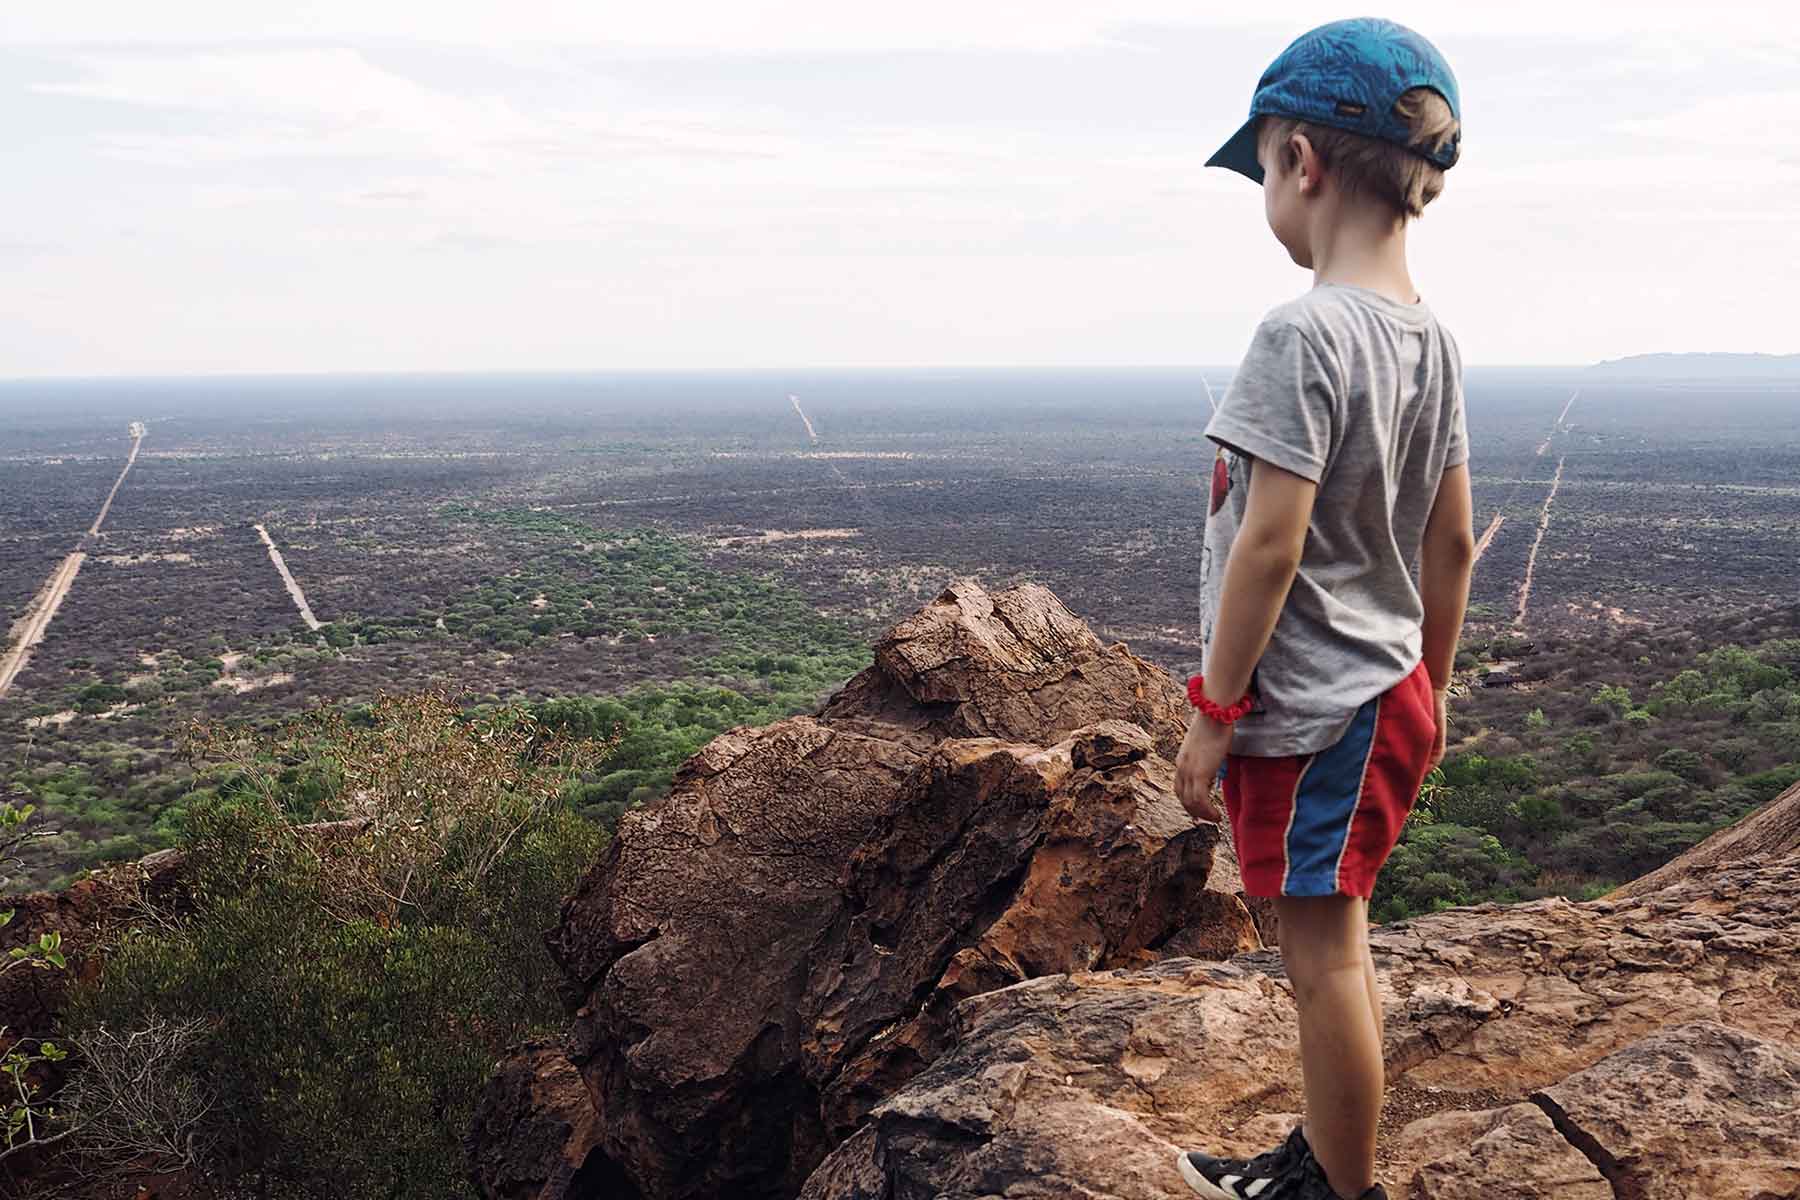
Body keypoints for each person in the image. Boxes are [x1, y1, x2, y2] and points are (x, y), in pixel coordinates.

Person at [1169, 17, 1476, 1200]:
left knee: (1325, 959)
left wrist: (1213, 710)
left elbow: (1269, 541)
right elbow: (1451, 542)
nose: (1267, 194)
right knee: (1330, 945)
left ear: (1299, 160)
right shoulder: (1431, 341)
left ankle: (1339, 1190)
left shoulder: (1301, 333)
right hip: (1387, 685)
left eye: (1261, 170)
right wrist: (1433, 688)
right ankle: (1324, 1152)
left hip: (1316, 709)